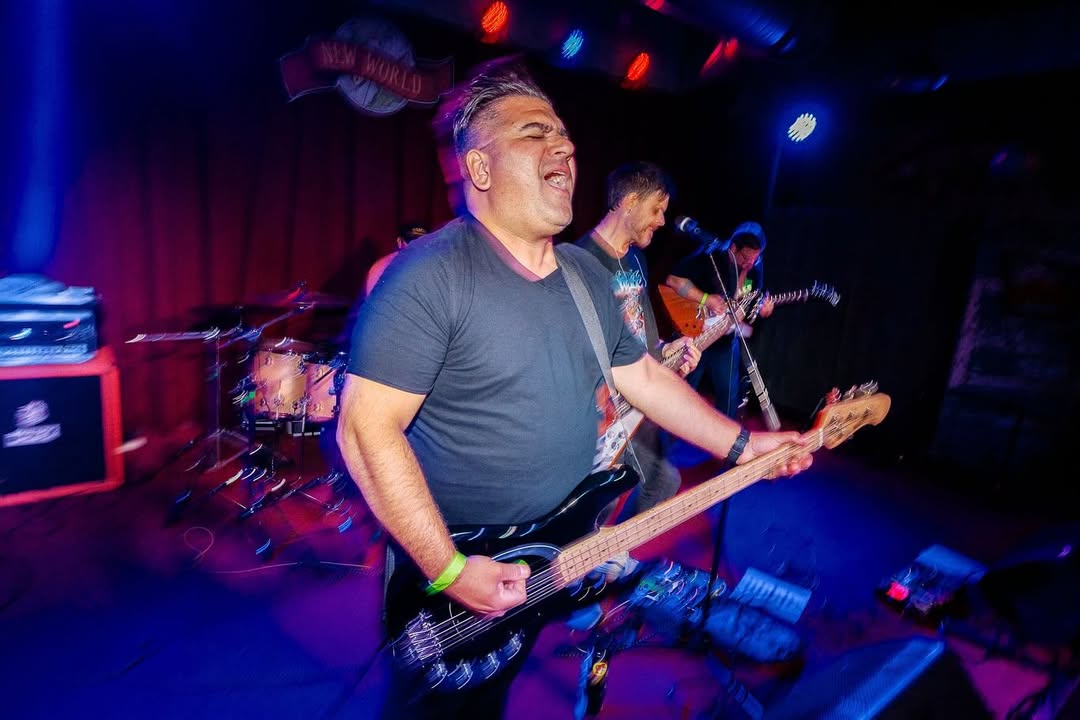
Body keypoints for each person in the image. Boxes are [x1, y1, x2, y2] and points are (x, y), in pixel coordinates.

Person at [336, 57, 812, 719]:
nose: (564, 145)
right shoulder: (428, 276)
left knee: (492, 699)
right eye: (534, 133)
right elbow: (365, 429)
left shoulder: (587, 279)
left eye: (564, 133)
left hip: (546, 553)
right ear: (479, 169)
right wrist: (448, 568)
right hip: (453, 564)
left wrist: (744, 446)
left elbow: (643, 377)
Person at [575, 160, 700, 515]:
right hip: (603, 411)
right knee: (601, 501)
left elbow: (644, 333)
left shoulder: (636, 261)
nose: (662, 220)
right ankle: (583, 566)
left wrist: (667, 350)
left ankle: (615, 555)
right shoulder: (581, 261)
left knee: (664, 480)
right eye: (656, 209)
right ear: (630, 202)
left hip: (637, 399)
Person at [664, 221, 776, 420]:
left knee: (729, 395)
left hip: (723, 342)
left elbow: (750, 309)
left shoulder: (754, 272)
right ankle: (661, 442)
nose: (749, 263)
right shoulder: (710, 257)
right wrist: (706, 299)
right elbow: (672, 280)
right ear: (733, 247)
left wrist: (762, 311)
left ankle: (728, 445)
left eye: (755, 259)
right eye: (745, 257)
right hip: (694, 335)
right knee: (679, 389)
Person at [364, 221, 430, 296]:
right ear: (399, 242)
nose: (417, 248)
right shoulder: (381, 268)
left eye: (423, 242)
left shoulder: (431, 266)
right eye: (412, 243)